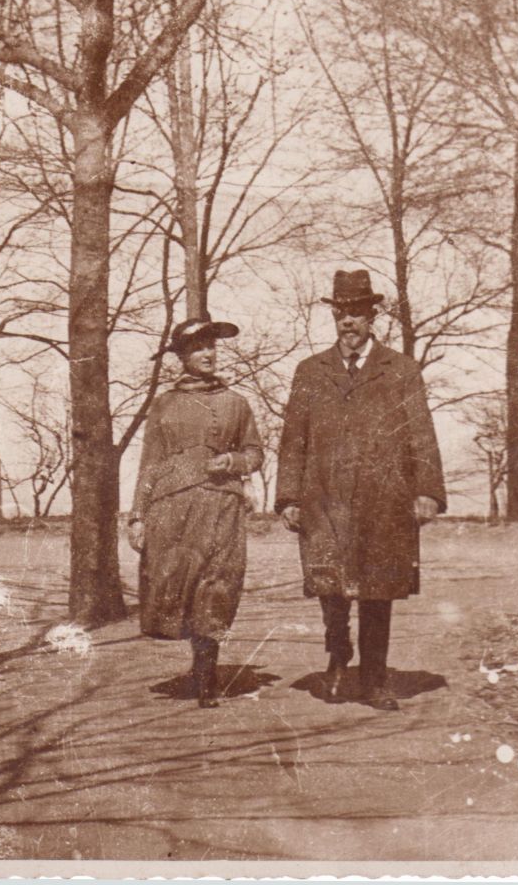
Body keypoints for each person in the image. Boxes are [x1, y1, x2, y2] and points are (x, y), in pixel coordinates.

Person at [275, 269, 446, 711]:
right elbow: (293, 439)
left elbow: (421, 432)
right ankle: (338, 654)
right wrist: (289, 497)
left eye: (356, 312)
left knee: (378, 589)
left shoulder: (401, 370)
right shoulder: (310, 371)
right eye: (341, 313)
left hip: (382, 500)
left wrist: (427, 491)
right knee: (329, 584)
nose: (348, 321)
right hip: (324, 497)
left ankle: (374, 678)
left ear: (372, 317)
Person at [127, 315, 263, 708]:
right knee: (178, 587)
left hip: (222, 505)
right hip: (173, 508)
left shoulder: (236, 403)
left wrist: (234, 462)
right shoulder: (164, 404)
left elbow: (255, 452)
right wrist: (137, 516)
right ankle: (198, 667)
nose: (208, 354)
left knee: (217, 586)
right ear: (182, 356)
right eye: (198, 348)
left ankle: (207, 677)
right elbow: (150, 462)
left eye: (211, 346)